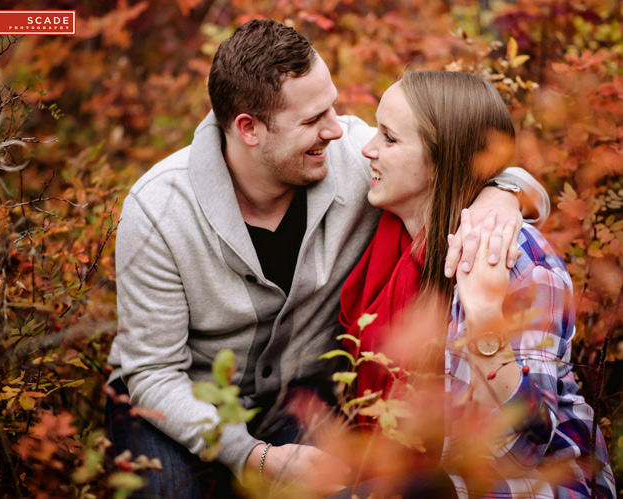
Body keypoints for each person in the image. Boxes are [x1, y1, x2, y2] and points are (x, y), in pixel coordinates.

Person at [105, 19, 551, 498]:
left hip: (303, 399)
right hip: (182, 399)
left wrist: (499, 195)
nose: (338, 130)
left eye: (333, 105)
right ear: (249, 129)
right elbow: (152, 373)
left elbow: (459, 164)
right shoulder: (159, 208)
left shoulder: (358, 163)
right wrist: (252, 456)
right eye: (313, 119)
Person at [336, 70, 613, 498]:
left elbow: (526, 447)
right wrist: (507, 187)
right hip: (431, 471)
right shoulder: (394, 216)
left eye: (389, 139)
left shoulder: (515, 264)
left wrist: (485, 318)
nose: (367, 148)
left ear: (441, 160)